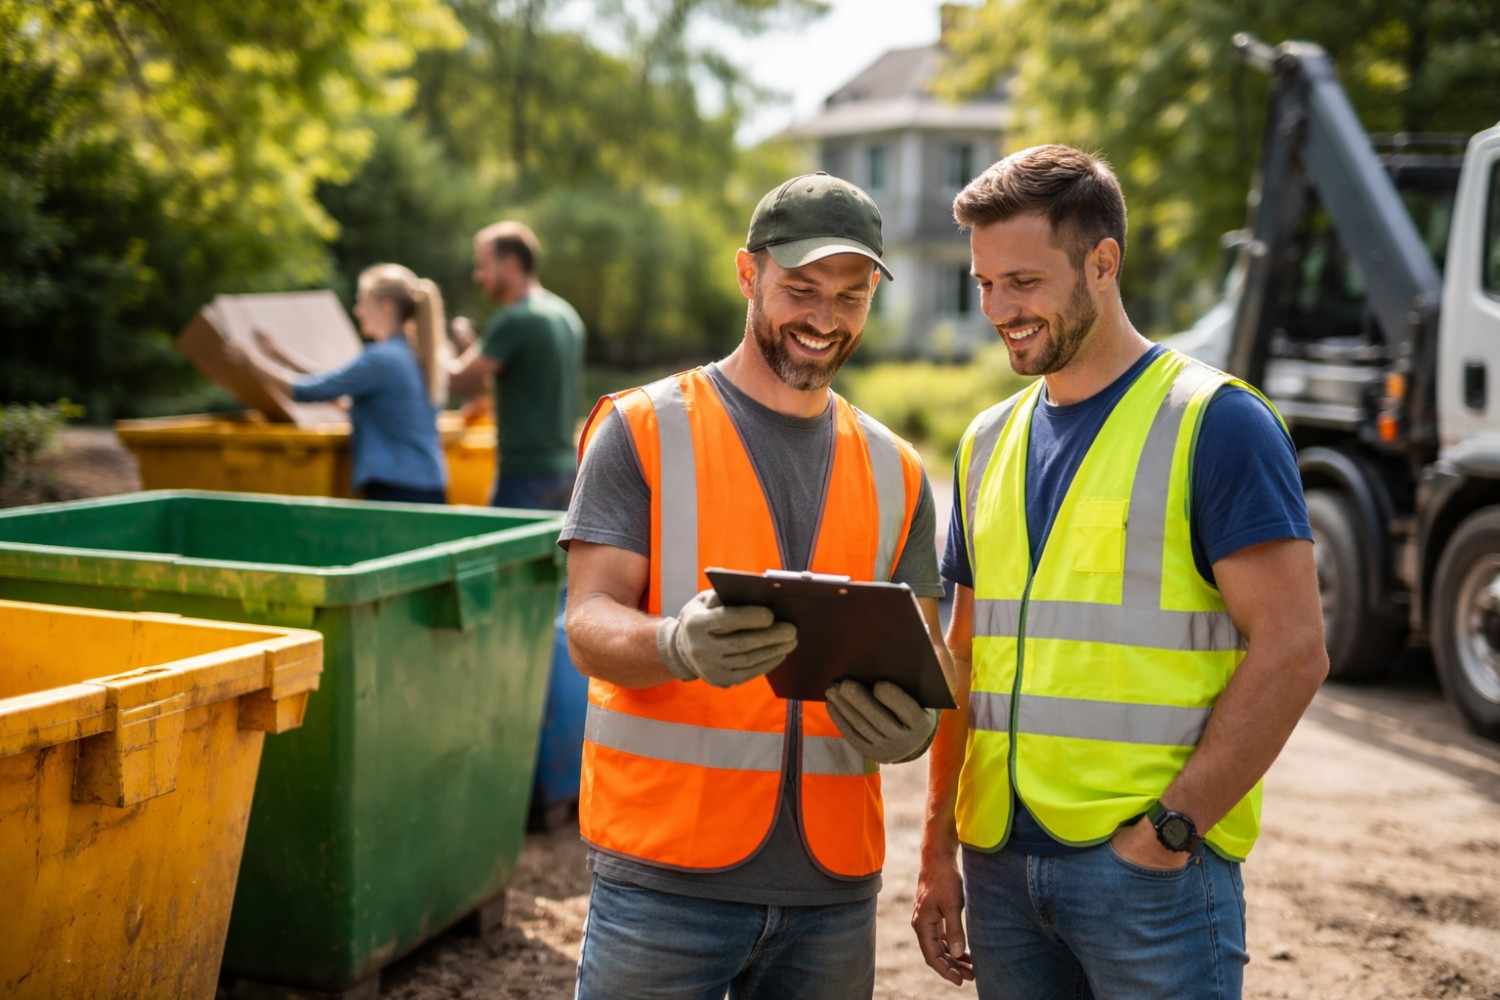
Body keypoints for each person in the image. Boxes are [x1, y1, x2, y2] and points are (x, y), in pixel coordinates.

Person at [911, 145, 1329, 999]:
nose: (998, 309)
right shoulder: (986, 441)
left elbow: (1293, 649)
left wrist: (1171, 829)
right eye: (984, 283)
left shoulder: (1217, 423)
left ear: (1103, 264)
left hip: (1149, 875)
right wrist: (935, 850)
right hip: (998, 866)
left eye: (1022, 282)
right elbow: (963, 657)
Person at [562, 171, 953, 1000]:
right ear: (748, 275)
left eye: (851, 297)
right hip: (664, 880)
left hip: (833, 892)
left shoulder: (899, 471)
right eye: (801, 289)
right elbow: (586, 623)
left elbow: (924, 663)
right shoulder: (644, 429)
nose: (824, 318)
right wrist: (671, 642)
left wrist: (912, 728)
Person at [244, 263, 449, 504]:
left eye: (362, 302)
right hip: (427, 485)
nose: (358, 311)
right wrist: (279, 355)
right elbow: (335, 384)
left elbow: (306, 390)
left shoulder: (381, 359)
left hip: (396, 488)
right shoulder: (413, 355)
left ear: (386, 306)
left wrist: (250, 362)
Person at [449, 220, 585, 511]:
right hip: (567, 470)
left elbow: (460, 380)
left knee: (507, 556)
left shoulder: (515, 319)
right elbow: (504, 374)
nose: (478, 276)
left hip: (525, 474)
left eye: (483, 265)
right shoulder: (565, 314)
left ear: (510, 263)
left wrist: (424, 339)